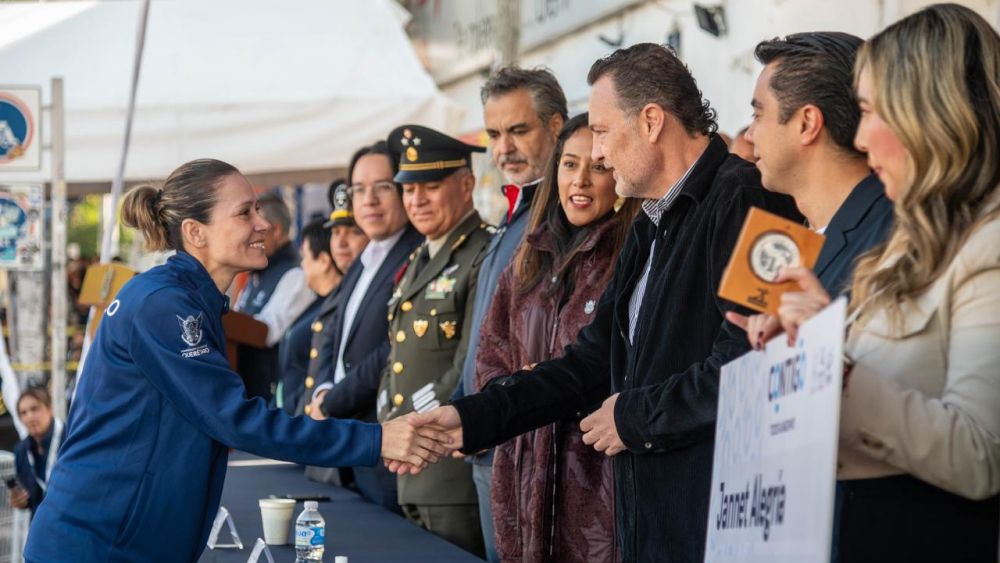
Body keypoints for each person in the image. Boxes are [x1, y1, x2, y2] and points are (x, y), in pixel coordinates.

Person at [403, 44, 801, 561]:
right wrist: (472, 417)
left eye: (606, 133)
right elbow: (587, 363)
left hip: (713, 524)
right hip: (646, 520)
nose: (601, 154)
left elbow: (752, 365)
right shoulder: (647, 224)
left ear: (652, 121)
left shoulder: (753, 201)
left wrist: (633, 417)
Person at [23, 159, 453, 563]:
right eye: (245, 213)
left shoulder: (183, 298)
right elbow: (236, 418)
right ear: (196, 232)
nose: (263, 224)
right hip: (103, 543)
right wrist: (375, 441)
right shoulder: (165, 305)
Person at [761, 5, 1000, 561]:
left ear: (928, 113)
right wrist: (814, 334)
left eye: (870, 112)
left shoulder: (989, 245)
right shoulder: (905, 243)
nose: (861, 139)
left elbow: (981, 455)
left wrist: (833, 373)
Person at [475, 112, 640, 562]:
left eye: (598, 166)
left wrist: (550, 384)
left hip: (592, 472)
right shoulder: (531, 254)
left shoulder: (631, 255)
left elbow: (631, 363)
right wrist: (511, 388)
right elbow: (490, 350)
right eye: (569, 164)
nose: (581, 180)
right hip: (522, 466)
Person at [453, 65, 567, 562]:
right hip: (487, 437)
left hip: (528, 440)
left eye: (518, 130)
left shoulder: (569, 213)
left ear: (556, 127)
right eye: (495, 134)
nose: (503, 148)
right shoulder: (515, 211)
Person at [726, 32, 894, 349]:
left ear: (806, 124)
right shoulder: (781, 237)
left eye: (758, 114)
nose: (749, 135)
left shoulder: (892, 234)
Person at [377, 125, 493, 556]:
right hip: (410, 463)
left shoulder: (483, 252)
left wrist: (407, 424)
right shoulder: (418, 258)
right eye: (409, 190)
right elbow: (398, 354)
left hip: (447, 466)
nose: (417, 200)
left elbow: (467, 364)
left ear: (466, 185)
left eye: (431, 187)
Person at [306, 142, 422, 512]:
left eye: (382, 187)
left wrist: (332, 402)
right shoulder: (363, 258)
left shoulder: (418, 253)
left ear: (403, 188)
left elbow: (393, 347)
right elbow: (332, 333)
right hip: (347, 439)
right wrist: (323, 387)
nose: (368, 200)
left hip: (384, 441)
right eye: (359, 190)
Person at [233, 192, 316, 400]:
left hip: (271, 397)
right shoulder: (255, 275)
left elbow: (266, 332)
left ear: (276, 230)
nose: (250, 236)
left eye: (257, 229)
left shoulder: (295, 276)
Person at [10, 387, 62, 518]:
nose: (29, 417)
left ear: (49, 408)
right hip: (40, 527)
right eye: (23, 413)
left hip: (73, 526)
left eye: (34, 409)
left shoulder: (70, 440)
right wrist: (20, 500)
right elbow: (29, 499)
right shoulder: (20, 451)